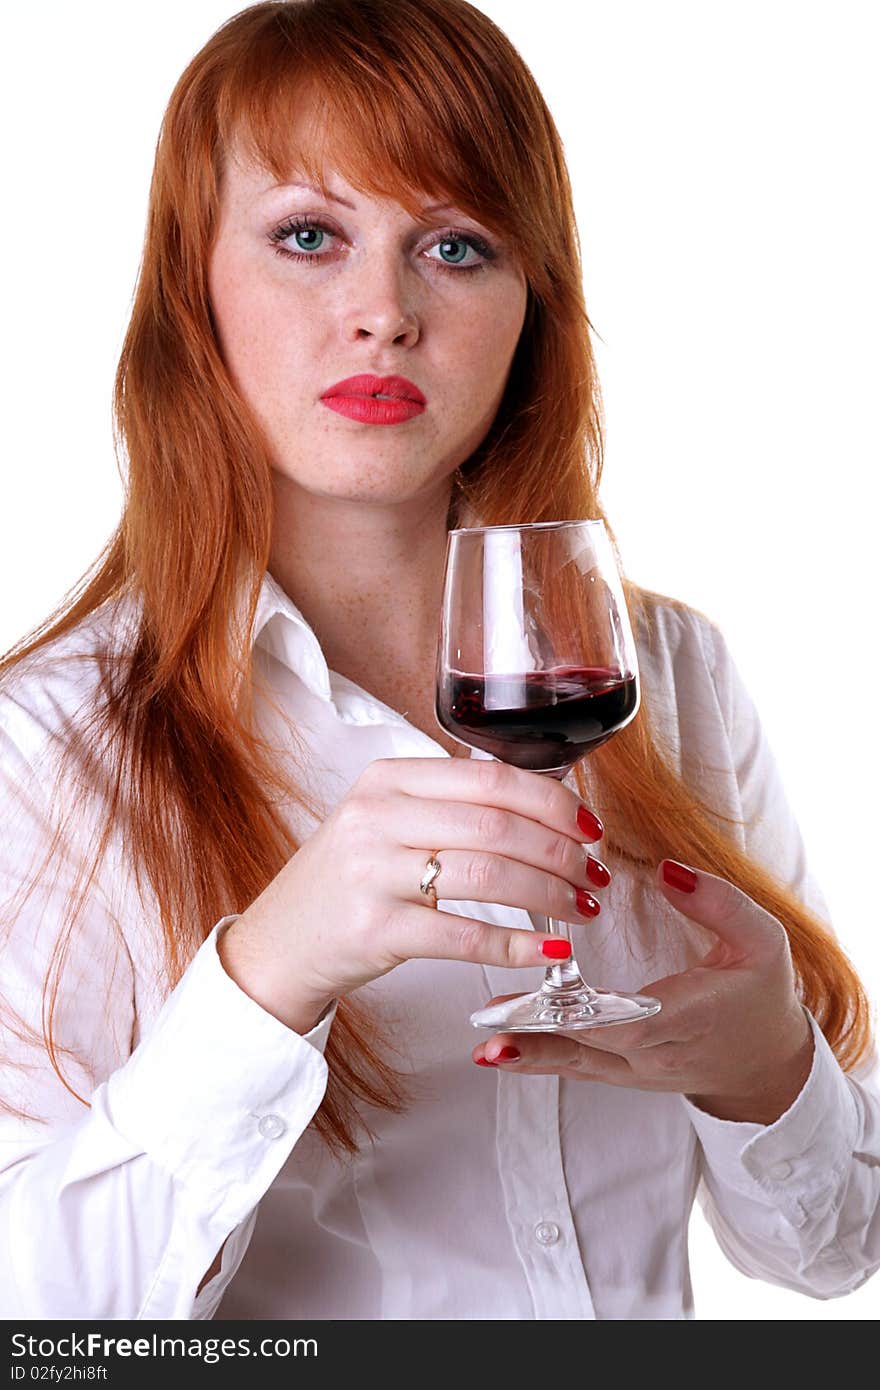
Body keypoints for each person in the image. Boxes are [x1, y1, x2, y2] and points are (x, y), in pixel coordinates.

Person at [0, 0, 877, 1322]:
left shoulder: (674, 672)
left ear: (530, 305)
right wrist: (271, 972)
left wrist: (767, 1064)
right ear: (195, 288)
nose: (383, 312)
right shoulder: (49, 745)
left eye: (457, 247)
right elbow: (43, 1324)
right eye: (310, 236)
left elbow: (832, 1250)